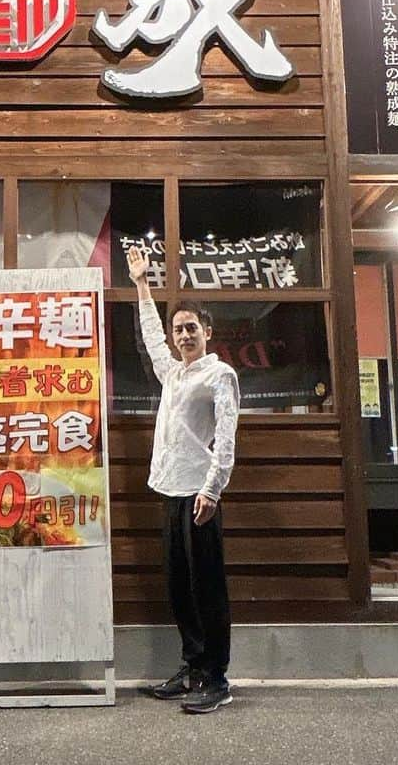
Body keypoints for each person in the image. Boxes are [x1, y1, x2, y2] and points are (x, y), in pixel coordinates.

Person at [126, 244, 240, 714]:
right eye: (179, 330)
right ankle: (193, 664)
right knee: (178, 584)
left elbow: (229, 436)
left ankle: (217, 677)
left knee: (207, 585)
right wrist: (141, 284)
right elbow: (150, 335)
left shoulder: (220, 375)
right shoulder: (172, 373)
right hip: (169, 489)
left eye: (191, 327)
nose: (183, 335)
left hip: (199, 494)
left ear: (207, 332)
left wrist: (213, 487)